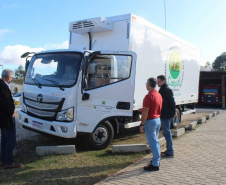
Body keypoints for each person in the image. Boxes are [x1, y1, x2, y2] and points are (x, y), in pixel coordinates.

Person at [0, 69, 23, 169]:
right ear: (9, 77)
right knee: (10, 139)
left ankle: (2, 159)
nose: (12, 80)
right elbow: (5, 102)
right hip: (6, 116)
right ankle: (9, 162)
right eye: (12, 78)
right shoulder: (3, 86)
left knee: (4, 139)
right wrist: (11, 112)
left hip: (2, 116)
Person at [140, 77, 162, 171]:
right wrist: (143, 110)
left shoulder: (148, 96)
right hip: (157, 119)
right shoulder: (158, 95)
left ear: (148, 85)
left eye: (146, 84)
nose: (145, 85)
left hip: (150, 122)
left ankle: (155, 164)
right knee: (155, 142)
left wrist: (142, 124)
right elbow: (154, 107)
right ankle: (155, 160)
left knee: (153, 144)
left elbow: (146, 112)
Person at [157, 75, 176, 158]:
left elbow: (172, 102)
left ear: (163, 81)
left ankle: (170, 151)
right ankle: (169, 150)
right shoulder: (162, 89)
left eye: (159, 81)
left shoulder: (167, 90)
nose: (157, 83)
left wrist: (174, 112)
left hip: (166, 114)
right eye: (157, 81)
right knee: (166, 133)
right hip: (164, 114)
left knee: (167, 133)